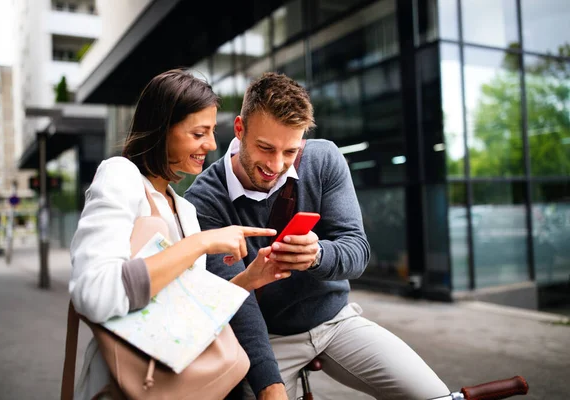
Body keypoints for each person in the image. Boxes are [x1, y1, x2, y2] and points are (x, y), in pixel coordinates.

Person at [184, 72, 450, 400]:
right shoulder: (204, 200)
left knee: (436, 396)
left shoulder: (323, 160)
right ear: (240, 130)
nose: (276, 164)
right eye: (265, 148)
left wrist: (318, 255)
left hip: (335, 320)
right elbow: (237, 300)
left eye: (290, 151)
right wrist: (269, 385)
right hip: (266, 338)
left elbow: (357, 250)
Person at [69, 69, 291, 400]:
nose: (212, 144)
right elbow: (94, 293)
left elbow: (183, 312)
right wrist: (201, 243)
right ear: (162, 129)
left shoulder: (184, 210)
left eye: (213, 131)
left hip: (174, 382)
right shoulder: (120, 176)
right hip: (126, 382)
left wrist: (248, 280)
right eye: (199, 133)